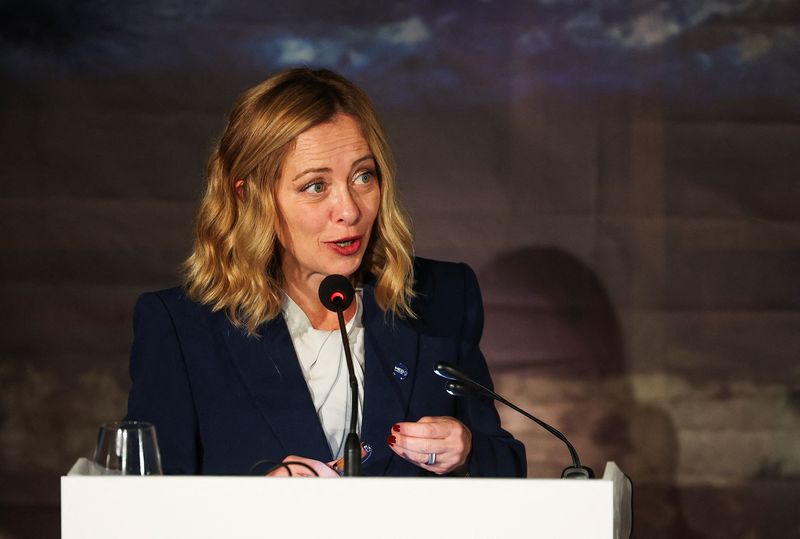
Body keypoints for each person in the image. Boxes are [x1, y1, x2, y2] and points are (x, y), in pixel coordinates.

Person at [125, 67, 526, 478]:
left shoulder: (441, 298)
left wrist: (467, 451)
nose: (349, 210)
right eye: (315, 186)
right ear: (250, 197)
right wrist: (249, 503)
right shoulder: (183, 328)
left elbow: (506, 466)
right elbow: (141, 507)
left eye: (363, 177)